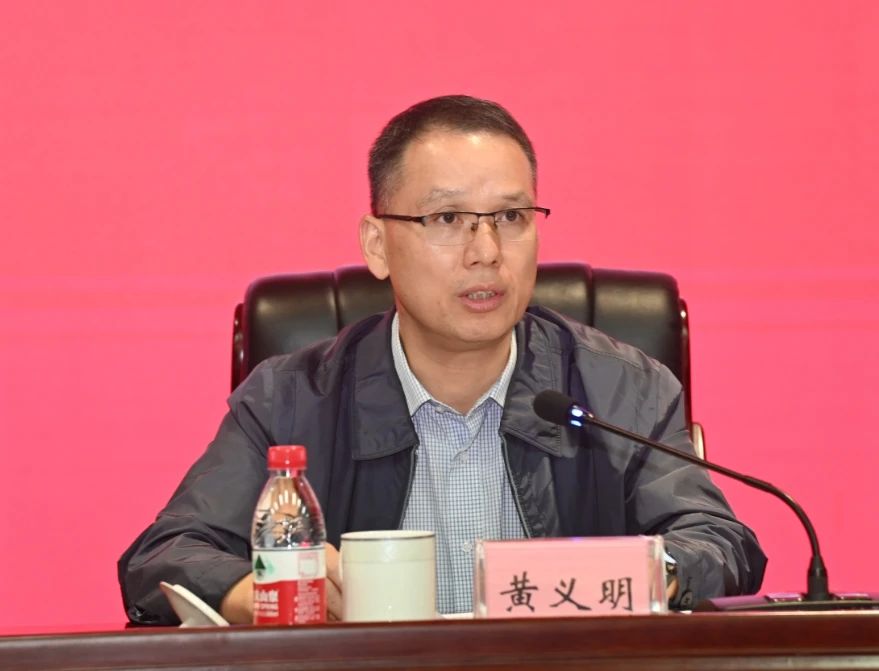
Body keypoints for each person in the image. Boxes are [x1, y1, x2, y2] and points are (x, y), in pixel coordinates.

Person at [119, 95, 766, 624]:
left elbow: (718, 542)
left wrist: (633, 578)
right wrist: (271, 593)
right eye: (449, 217)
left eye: (511, 216)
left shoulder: (621, 388)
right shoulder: (290, 400)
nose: (486, 251)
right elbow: (164, 556)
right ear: (377, 245)